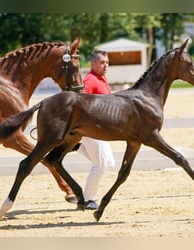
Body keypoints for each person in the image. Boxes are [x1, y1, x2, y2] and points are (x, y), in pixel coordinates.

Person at [76, 50, 115, 210]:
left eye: (106, 62)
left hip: (101, 129)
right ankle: (88, 200)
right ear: (93, 64)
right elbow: (79, 100)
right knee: (100, 165)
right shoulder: (90, 80)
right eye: (102, 62)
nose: (105, 65)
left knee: (109, 163)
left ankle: (77, 147)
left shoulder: (102, 79)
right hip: (91, 129)